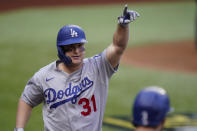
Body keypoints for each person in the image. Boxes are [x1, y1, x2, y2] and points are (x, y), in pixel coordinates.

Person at [14, 5, 140, 131]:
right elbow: (27, 100)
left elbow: (118, 46)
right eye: (70, 48)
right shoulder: (44, 76)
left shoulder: (98, 67)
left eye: (79, 46)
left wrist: (122, 26)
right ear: (61, 50)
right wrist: (19, 129)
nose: (76, 51)